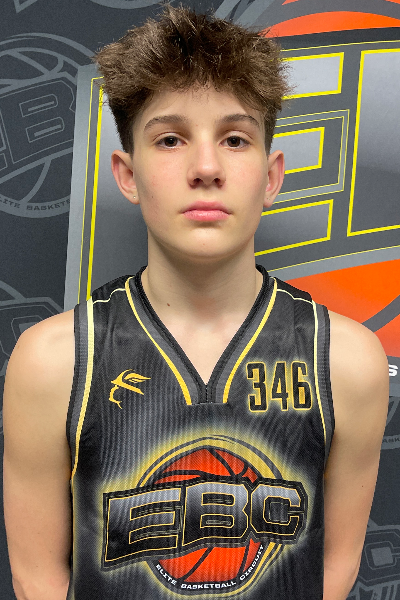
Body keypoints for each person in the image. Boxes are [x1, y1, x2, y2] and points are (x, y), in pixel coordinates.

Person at [3, 6, 388, 600]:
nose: (206, 168)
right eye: (170, 139)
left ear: (271, 175)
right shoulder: (54, 361)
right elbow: (36, 578)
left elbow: (334, 568)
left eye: (235, 139)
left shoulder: (347, 361)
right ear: (127, 174)